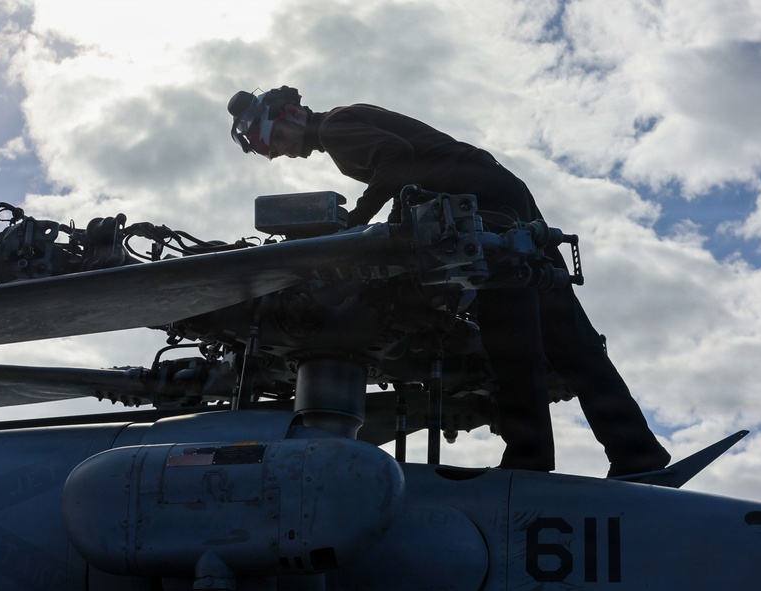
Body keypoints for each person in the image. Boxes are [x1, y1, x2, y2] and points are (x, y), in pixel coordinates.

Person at [227, 86, 670, 476]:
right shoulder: (346, 119)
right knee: (570, 340)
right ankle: (637, 451)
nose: (282, 150)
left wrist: (357, 223)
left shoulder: (335, 129)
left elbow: (396, 158)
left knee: (512, 344)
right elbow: (409, 165)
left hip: (482, 214)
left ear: (289, 115)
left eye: (276, 139)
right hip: (506, 200)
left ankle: (530, 458)